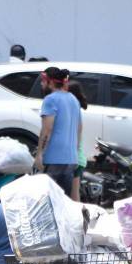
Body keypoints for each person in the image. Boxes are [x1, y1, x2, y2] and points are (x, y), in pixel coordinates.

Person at [35, 67, 82, 196]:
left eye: (43, 81)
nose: (41, 84)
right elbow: (79, 128)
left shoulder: (50, 99)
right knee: (63, 201)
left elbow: (47, 129)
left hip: (54, 158)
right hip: (70, 158)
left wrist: (39, 154)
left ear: (50, 82)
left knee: (47, 200)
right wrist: (76, 152)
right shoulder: (73, 99)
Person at [67, 81, 89, 202]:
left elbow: (75, 136)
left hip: (73, 159)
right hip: (77, 158)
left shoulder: (72, 111)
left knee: (73, 196)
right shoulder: (76, 110)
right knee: (74, 194)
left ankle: (78, 219)